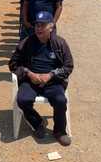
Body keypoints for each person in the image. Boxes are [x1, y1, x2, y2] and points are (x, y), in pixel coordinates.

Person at [9, 11, 74, 146]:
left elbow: (68, 66)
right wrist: (28, 73)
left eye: (42, 25)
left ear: (51, 27)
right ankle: (37, 123)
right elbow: (13, 64)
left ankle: (60, 131)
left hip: (52, 82)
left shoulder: (60, 43)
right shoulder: (26, 43)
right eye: (37, 25)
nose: (38, 28)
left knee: (60, 100)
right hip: (30, 81)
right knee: (22, 100)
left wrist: (50, 75)